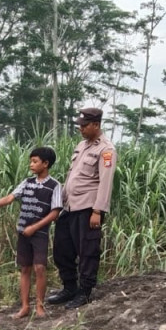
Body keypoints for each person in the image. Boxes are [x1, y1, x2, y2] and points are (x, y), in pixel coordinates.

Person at [0, 147, 64, 319]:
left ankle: (39, 306)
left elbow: (55, 213)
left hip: (39, 234)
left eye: (35, 161)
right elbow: (10, 198)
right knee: (25, 268)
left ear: (46, 164)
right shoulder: (27, 182)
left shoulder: (54, 186)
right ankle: (24, 307)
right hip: (23, 232)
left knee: (40, 268)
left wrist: (35, 227)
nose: (31, 164)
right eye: (31, 161)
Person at [47, 107, 116, 310]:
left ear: (96, 125)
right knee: (62, 249)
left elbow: (105, 182)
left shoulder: (106, 150)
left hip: (88, 208)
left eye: (85, 126)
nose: (81, 129)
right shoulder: (82, 146)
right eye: (80, 125)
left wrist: (98, 211)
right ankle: (69, 287)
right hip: (69, 207)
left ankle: (84, 292)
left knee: (87, 251)